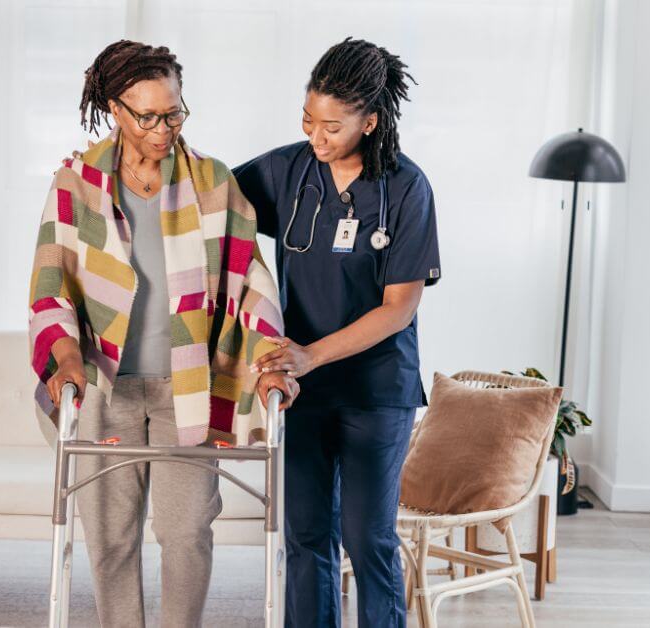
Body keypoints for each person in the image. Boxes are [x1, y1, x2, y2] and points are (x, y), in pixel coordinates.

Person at [29, 40, 298, 627]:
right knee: (109, 538)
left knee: (186, 536)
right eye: (146, 115)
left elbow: (252, 280)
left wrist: (271, 358)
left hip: (188, 388)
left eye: (173, 113)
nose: (162, 128)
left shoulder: (213, 183)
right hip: (105, 388)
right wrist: (64, 353)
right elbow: (51, 284)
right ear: (114, 109)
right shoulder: (75, 184)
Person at [232, 37, 442, 628]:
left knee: (367, 539)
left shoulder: (406, 188)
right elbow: (204, 197)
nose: (316, 138)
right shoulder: (288, 170)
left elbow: (398, 308)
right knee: (305, 539)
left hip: (376, 391)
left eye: (332, 127)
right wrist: (107, 167)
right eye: (307, 121)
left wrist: (309, 356)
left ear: (370, 122)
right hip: (301, 392)